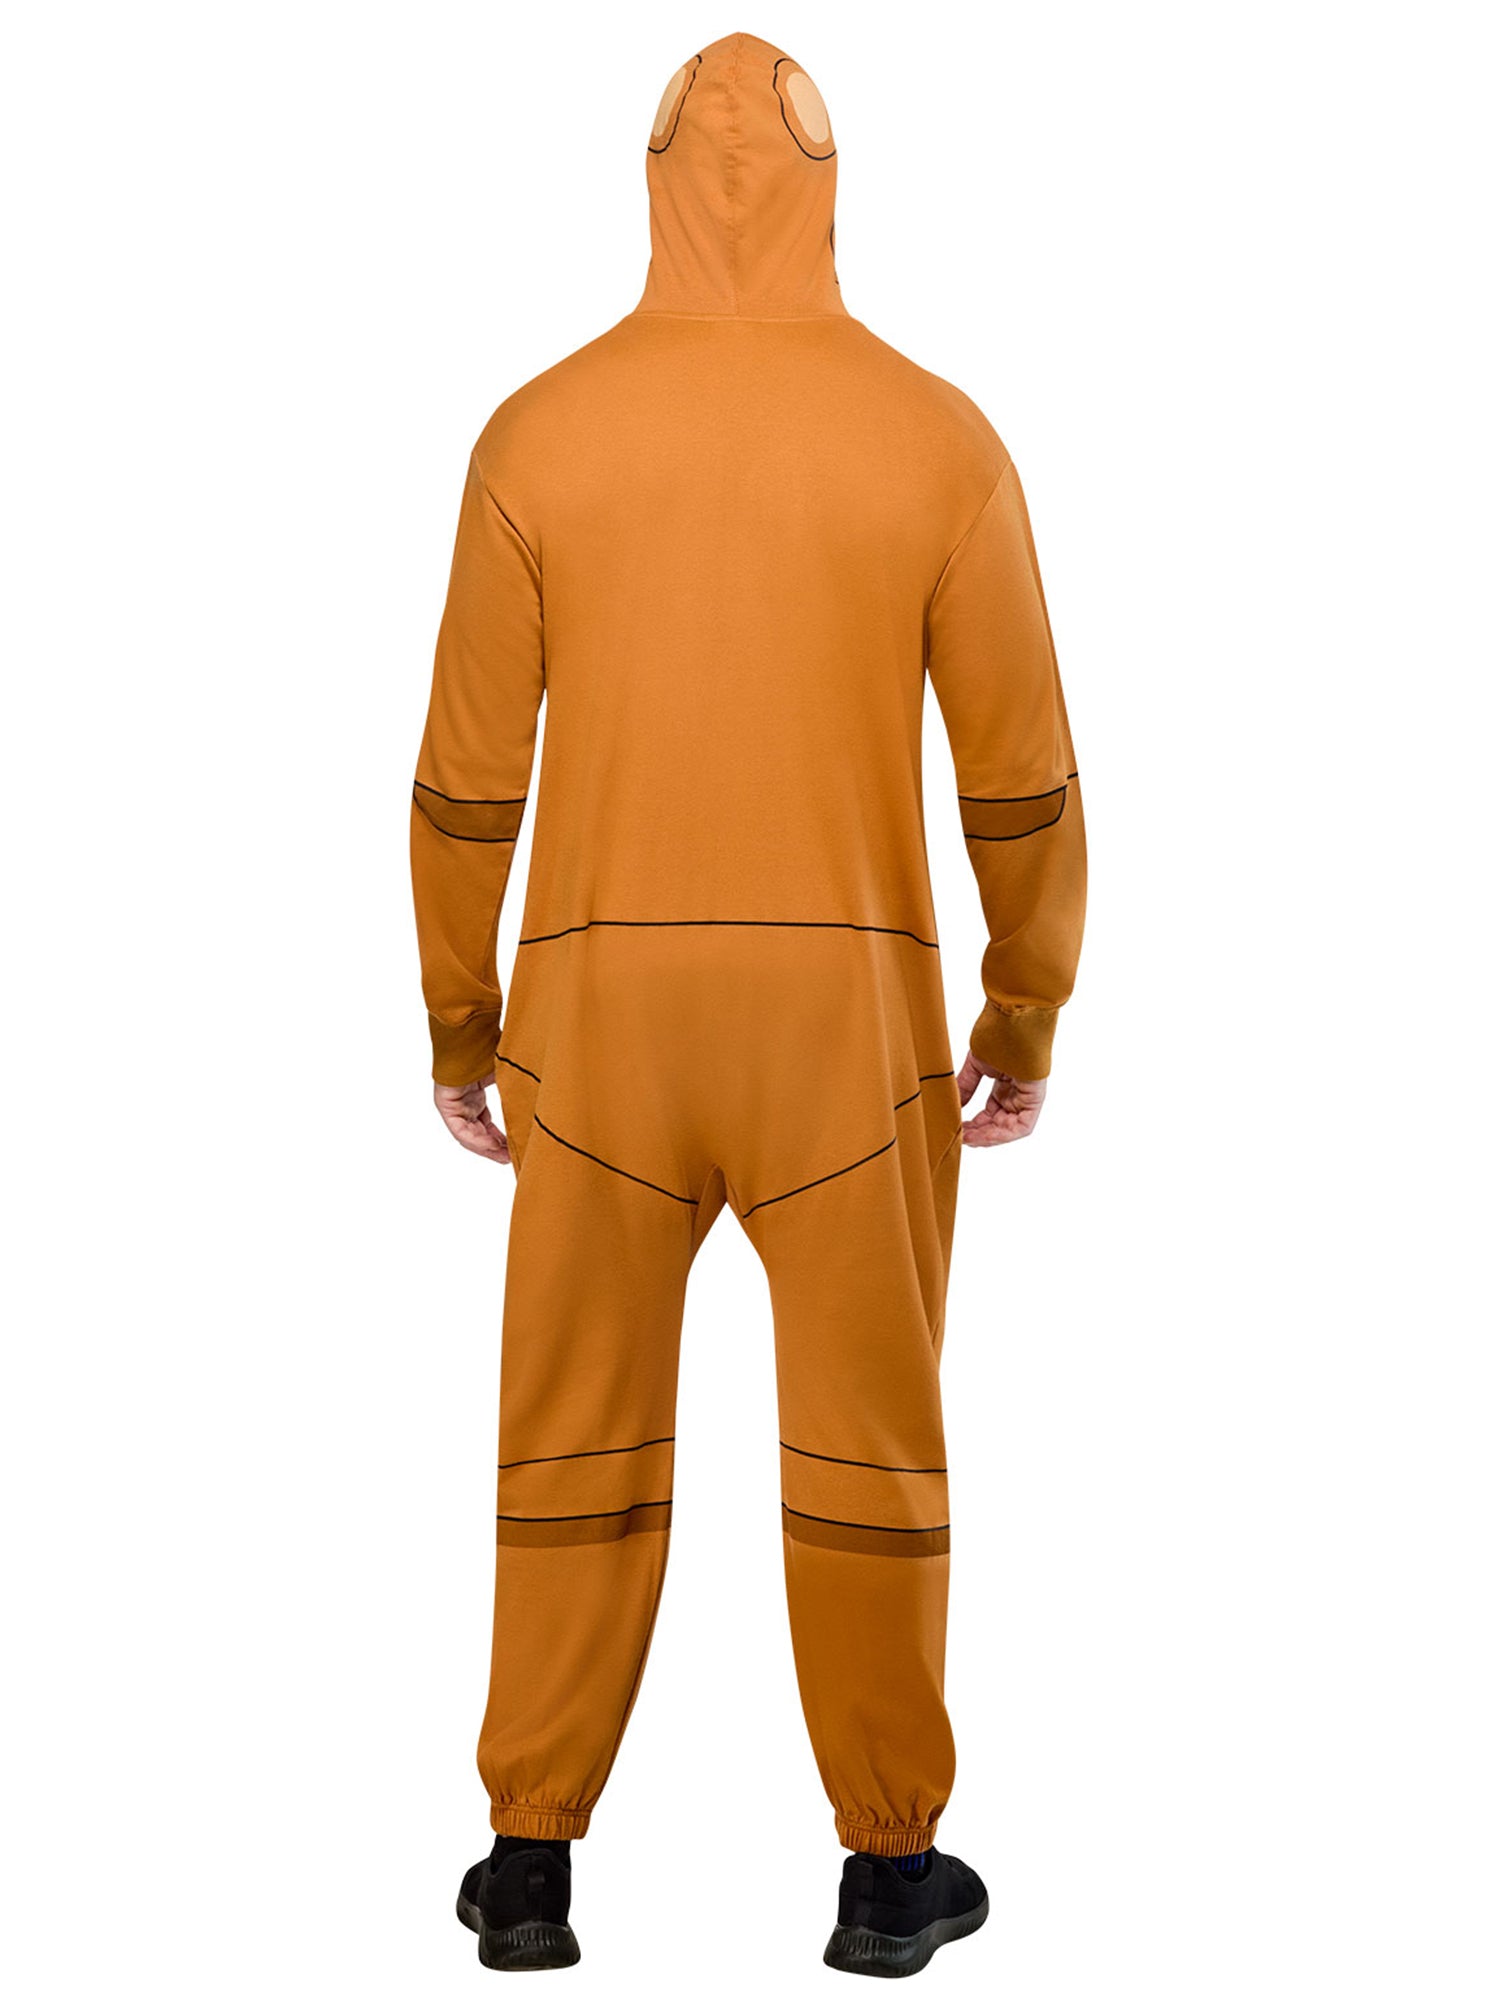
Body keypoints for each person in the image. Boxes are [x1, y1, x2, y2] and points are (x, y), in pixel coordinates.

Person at [410, 30, 1087, 1979]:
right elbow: (1024, 786)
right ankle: (888, 1875)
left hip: (602, 1021)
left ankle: (529, 1861)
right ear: (828, 187)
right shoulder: (937, 440)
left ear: (648, 186)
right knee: (869, 1452)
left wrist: (460, 1024)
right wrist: (1024, 1015)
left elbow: (466, 786)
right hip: (846, 1035)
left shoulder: (537, 437)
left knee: (571, 1439)